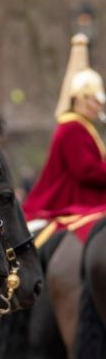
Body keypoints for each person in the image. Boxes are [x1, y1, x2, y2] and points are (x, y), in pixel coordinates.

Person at [24, 33, 106, 221]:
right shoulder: (72, 128)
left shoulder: (80, 125)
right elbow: (85, 170)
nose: (99, 106)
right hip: (72, 200)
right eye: (96, 100)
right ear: (81, 99)